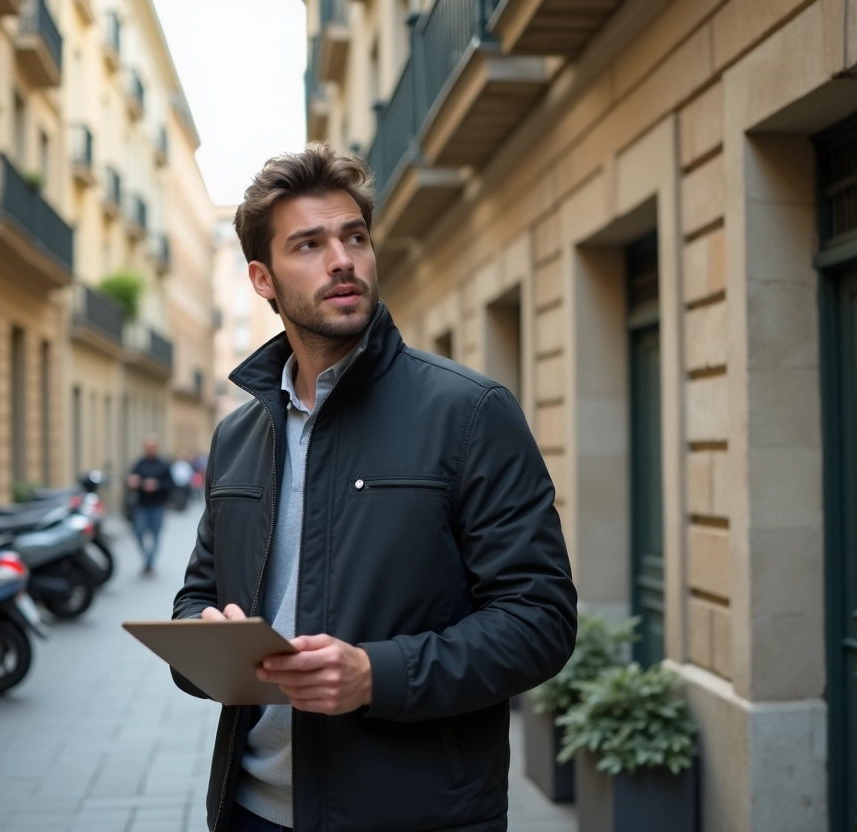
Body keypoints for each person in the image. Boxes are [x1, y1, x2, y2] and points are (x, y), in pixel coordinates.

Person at [171, 144, 577, 832]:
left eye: (354, 237)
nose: (342, 260)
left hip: (415, 815)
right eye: (309, 244)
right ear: (262, 279)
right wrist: (207, 648)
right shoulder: (238, 436)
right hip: (250, 811)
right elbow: (195, 599)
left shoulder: (469, 412)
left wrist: (376, 675)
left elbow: (540, 620)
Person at [127, 435, 172, 575]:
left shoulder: (163, 464)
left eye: (152, 447)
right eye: (147, 447)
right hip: (142, 505)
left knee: (155, 535)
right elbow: (131, 479)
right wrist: (132, 482)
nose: (149, 449)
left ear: (156, 448)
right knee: (138, 532)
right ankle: (147, 559)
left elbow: (171, 484)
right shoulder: (139, 463)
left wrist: (157, 485)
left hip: (158, 505)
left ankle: (150, 564)